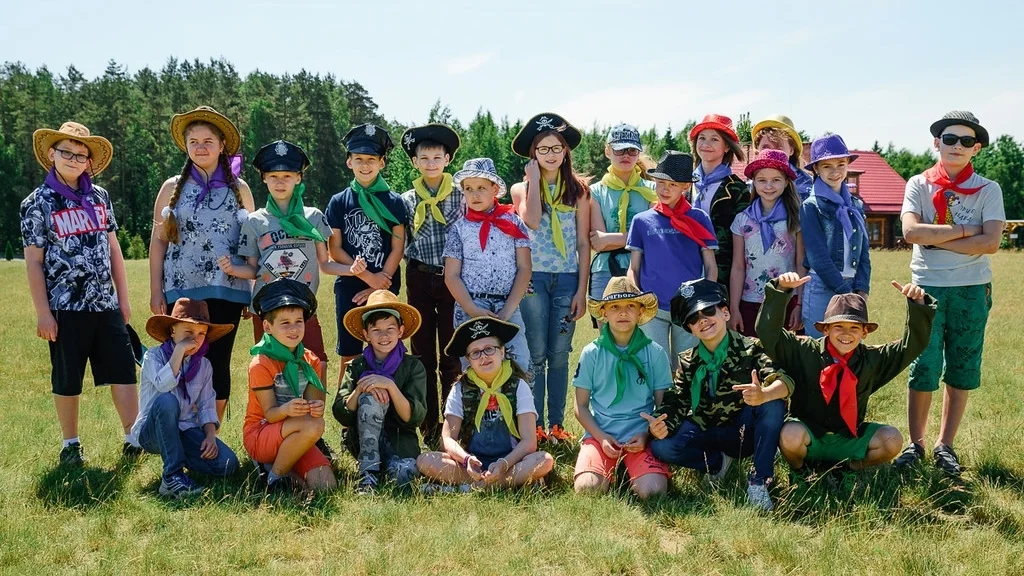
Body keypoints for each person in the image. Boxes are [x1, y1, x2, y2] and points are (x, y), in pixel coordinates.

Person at [22, 121, 140, 465]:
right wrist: (43, 313)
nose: (74, 159)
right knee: (68, 376)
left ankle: (133, 437)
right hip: (65, 305)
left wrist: (123, 299)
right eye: (67, 152)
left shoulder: (99, 196)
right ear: (51, 154)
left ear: (89, 161)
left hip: (104, 302)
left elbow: (113, 249)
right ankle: (70, 444)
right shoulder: (38, 202)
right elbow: (33, 262)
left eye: (81, 155)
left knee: (123, 370)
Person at [895, 111, 1005, 476]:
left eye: (966, 141)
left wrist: (936, 238)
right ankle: (916, 444)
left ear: (976, 149)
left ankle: (945, 445)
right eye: (949, 139)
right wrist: (966, 230)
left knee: (962, 366)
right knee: (923, 365)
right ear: (936, 143)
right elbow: (911, 234)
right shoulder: (918, 184)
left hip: (971, 289)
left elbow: (990, 243)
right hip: (925, 286)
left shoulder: (989, 189)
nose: (957, 146)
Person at [756, 273, 936, 477]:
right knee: (789, 434)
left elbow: (911, 346)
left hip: (849, 438)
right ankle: (801, 471)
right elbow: (768, 334)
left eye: (854, 327)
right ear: (826, 329)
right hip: (808, 435)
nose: (846, 334)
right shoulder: (804, 351)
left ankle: (846, 470)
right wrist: (781, 290)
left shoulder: (872, 360)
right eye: (838, 326)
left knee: (892, 439)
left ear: (864, 332)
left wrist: (918, 304)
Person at [647, 279, 791, 511]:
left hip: (744, 432)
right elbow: (677, 401)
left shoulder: (750, 348)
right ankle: (716, 463)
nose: (702, 320)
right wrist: (660, 424)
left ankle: (758, 480)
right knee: (662, 447)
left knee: (772, 404)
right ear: (690, 329)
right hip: (707, 429)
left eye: (708, 311)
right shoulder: (688, 361)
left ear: (725, 313)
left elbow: (784, 382)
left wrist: (763, 394)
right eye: (693, 318)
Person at [150, 106, 255, 421]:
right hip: (181, 289)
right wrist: (156, 290)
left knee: (217, 362)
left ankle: (211, 434)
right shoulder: (171, 188)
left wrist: (251, 291)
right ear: (185, 146)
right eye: (193, 141)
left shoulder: (240, 188)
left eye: (208, 140)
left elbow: (251, 244)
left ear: (222, 145)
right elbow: (159, 241)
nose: (201, 147)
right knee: (183, 358)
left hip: (228, 289)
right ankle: (182, 428)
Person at [222, 139, 366, 367]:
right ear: (264, 178)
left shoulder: (313, 217)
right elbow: (252, 269)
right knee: (269, 366)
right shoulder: (254, 221)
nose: (280, 182)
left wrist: (352, 269)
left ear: (298, 178)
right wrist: (232, 269)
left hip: (303, 306)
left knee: (316, 362)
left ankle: (314, 395)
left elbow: (325, 264)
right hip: (267, 309)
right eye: (273, 176)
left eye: (287, 176)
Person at [510, 112, 592, 443]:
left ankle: (557, 424)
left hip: (567, 279)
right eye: (543, 149)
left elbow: (584, 242)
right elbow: (530, 221)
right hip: (534, 280)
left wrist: (582, 290)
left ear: (565, 151)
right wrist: (532, 181)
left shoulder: (579, 191)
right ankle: (536, 426)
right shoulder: (521, 188)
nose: (551, 155)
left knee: (559, 353)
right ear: (533, 154)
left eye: (556, 148)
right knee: (536, 354)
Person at [416, 318, 554, 490]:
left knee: (544, 460)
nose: (483, 356)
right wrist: (466, 459)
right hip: (472, 465)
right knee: (425, 460)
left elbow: (529, 442)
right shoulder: (461, 388)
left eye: (489, 349)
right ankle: (499, 484)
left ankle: (475, 487)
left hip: (510, 462)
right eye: (475, 353)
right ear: (469, 360)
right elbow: (447, 439)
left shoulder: (518, 385)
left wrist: (503, 464)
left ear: (502, 352)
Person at [572, 277, 671, 499]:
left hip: (641, 436)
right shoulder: (591, 353)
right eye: (615, 307)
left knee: (654, 492)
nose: (623, 312)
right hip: (600, 434)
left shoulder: (655, 353)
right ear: (604, 313)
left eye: (630, 306)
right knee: (588, 490)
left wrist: (647, 434)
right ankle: (607, 466)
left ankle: (632, 470)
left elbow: (663, 406)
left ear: (640, 311)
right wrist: (601, 437)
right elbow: (580, 406)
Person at [134, 299, 240, 498]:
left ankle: (181, 456)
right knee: (167, 401)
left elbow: (207, 404)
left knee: (228, 464)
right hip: (152, 432)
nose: (195, 340)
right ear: (172, 330)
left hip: (185, 429)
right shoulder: (153, 357)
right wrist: (179, 351)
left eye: (201, 334)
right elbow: (164, 385)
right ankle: (172, 476)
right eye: (188, 332)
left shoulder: (204, 365)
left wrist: (210, 436)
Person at [399, 124, 464, 447]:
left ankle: (453, 423)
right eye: (424, 158)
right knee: (422, 353)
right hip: (420, 276)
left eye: (437, 157)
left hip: (453, 277)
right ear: (415, 162)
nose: (431, 163)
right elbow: (403, 240)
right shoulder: (407, 200)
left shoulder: (461, 195)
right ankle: (428, 425)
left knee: (451, 353)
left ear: (447, 159)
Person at [325, 124, 409, 371]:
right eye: (359, 159)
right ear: (349, 162)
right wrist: (367, 277)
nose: (365, 165)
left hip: (385, 282)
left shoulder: (395, 202)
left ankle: (387, 393)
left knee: (385, 347)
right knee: (349, 353)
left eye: (371, 159)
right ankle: (347, 396)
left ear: (382, 163)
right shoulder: (338, 202)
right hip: (350, 284)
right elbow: (335, 249)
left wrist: (379, 282)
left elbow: (397, 247)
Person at [626, 151, 718, 370]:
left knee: (687, 366)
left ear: (685, 186)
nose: (665, 189)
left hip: (689, 307)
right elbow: (633, 268)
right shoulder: (641, 221)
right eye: (660, 183)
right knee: (655, 366)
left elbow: (711, 267)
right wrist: (638, 298)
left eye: (673, 184)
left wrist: (704, 301)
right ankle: (660, 396)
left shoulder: (699, 218)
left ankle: (684, 395)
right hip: (652, 307)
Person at [243, 279, 335, 493]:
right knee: (313, 426)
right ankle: (275, 478)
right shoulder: (261, 362)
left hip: (295, 431)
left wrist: (315, 407)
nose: (294, 329)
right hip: (261, 432)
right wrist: (287, 409)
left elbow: (313, 410)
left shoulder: (310, 360)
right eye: (285, 323)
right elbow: (270, 414)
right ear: (267, 327)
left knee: (326, 486)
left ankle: (280, 465)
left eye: (299, 321)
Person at [443, 158, 532, 371]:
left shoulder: (514, 222)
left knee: (520, 363)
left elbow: (525, 268)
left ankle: (518, 394)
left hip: (507, 304)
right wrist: (471, 308)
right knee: (475, 367)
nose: (475, 194)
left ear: (495, 189)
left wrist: (508, 309)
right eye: (468, 189)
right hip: (471, 304)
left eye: (481, 188)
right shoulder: (459, 229)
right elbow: (451, 275)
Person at [333, 290, 427, 493]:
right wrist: (361, 388)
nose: (384, 336)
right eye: (376, 330)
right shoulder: (356, 366)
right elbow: (341, 413)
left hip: (400, 441)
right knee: (369, 397)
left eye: (390, 329)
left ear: (400, 331)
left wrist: (389, 386)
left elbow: (414, 417)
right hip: (360, 440)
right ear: (366, 334)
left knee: (404, 480)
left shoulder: (413, 367)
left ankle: (390, 469)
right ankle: (368, 472)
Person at [800, 134, 871, 338]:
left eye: (841, 164)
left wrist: (862, 289)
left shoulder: (856, 205)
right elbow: (817, 257)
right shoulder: (810, 206)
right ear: (816, 168)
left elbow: (864, 252)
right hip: (821, 287)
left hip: (852, 285)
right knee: (818, 347)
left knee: (849, 346)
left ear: (848, 164)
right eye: (827, 166)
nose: (835, 172)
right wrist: (844, 291)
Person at [729, 149, 805, 337]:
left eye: (776, 180)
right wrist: (734, 307)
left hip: (786, 300)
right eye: (762, 180)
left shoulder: (796, 219)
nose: (768, 186)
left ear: (786, 182)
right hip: (750, 301)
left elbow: (800, 264)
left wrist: (800, 304)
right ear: (753, 182)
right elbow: (738, 266)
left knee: (783, 352)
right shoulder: (741, 220)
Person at [587, 123, 656, 301]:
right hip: (605, 270)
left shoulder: (653, 189)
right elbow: (598, 243)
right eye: (619, 150)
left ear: (638, 153)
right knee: (604, 320)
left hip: (644, 268)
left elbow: (652, 237)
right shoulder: (595, 192)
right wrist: (636, 239)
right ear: (607, 151)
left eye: (632, 150)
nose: (626, 155)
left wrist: (609, 238)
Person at [689, 114, 750, 289]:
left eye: (714, 139)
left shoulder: (737, 188)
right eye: (702, 138)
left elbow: (744, 238)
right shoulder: (683, 183)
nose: (706, 144)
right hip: (687, 266)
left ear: (727, 147)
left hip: (723, 273)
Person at [751, 114, 813, 200]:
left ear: (791, 150)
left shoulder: (806, 184)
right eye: (765, 147)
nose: (772, 152)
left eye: (779, 147)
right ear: (758, 150)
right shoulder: (750, 186)